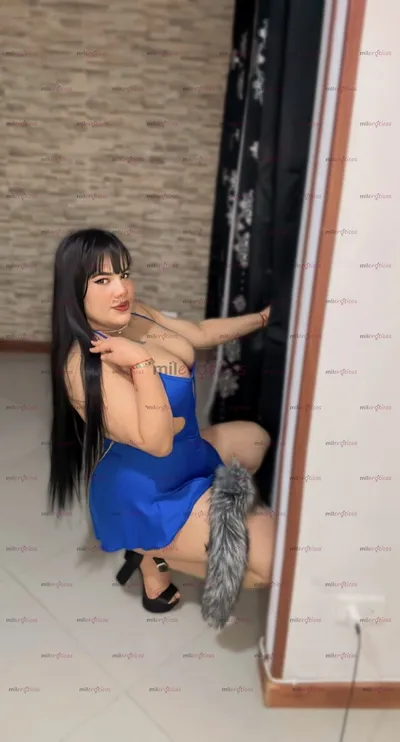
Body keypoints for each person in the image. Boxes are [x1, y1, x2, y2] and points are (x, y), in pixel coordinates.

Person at [48, 228, 275, 614]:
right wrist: (141, 363)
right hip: (146, 491)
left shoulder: (133, 313)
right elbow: (157, 443)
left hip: (187, 454)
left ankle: (177, 541)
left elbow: (199, 333)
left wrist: (264, 318)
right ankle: (152, 554)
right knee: (269, 564)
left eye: (124, 274)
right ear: (74, 290)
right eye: (103, 280)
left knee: (255, 438)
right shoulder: (82, 366)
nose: (122, 289)